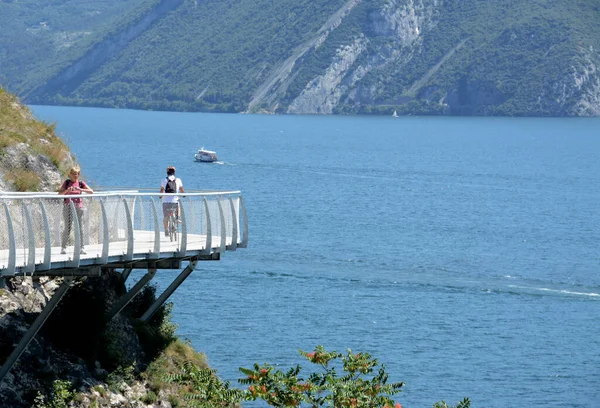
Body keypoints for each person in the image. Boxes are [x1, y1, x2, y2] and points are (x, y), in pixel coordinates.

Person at [58, 165, 93, 254]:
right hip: (68, 207)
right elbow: (60, 194)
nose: (75, 176)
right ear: (70, 174)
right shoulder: (66, 183)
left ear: (79, 174)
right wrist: (67, 191)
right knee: (67, 227)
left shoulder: (81, 183)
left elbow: (91, 191)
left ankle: (81, 248)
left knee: (80, 227)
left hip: (78, 207)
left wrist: (80, 189)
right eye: (73, 174)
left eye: (76, 174)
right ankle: (63, 248)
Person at [160, 165, 184, 236]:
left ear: (167, 172)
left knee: (165, 217)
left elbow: (161, 190)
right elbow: (181, 190)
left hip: (166, 202)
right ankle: (177, 218)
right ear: (174, 172)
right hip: (174, 201)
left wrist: (160, 196)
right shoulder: (178, 180)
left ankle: (166, 230)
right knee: (178, 207)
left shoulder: (164, 180)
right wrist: (183, 195)